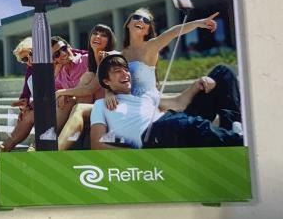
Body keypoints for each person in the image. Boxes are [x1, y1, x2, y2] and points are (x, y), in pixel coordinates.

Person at [90, 53, 243, 150]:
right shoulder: (101, 105)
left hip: (173, 121)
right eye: (118, 71)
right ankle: (242, 141)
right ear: (106, 81)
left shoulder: (144, 96)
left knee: (223, 72)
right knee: (189, 124)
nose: (125, 74)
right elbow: (97, 144)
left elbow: (179, 103)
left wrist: (197, 85)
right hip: (153, 135)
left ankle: (232, 126)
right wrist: (136, 157)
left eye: (126, 70)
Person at [120, 6, 221, 104]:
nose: (141, 20)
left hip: (150, 104)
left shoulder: (150, 46)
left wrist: (198, 23)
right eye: (137, 17)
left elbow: (173, 32)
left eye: (146, 20)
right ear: (128, 24)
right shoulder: (121, 54)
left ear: (147, 31)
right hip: (128, 104)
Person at [56, 24, 116, 149]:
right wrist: (64, 94)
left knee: (79, 107)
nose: (98, 36)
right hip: (99, 104)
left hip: (114, 104)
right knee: (86, 79)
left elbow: (90, 89)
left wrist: (61, 92)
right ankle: (44, 144)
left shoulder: (109, 56)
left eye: (103, 35)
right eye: (95, 33)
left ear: (109, 41)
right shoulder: (94, 61)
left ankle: (56, 150)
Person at [0, 37, 35, 152]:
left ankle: (36, 145)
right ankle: (5, 146)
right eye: (24, 59)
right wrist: (23, 106)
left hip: (54, 103)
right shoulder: (30, 70)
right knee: (27, 114)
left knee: (32, 113)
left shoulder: (54, 63)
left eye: (31, 54)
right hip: (38, 106)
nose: (29, 60)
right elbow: (25, 94)